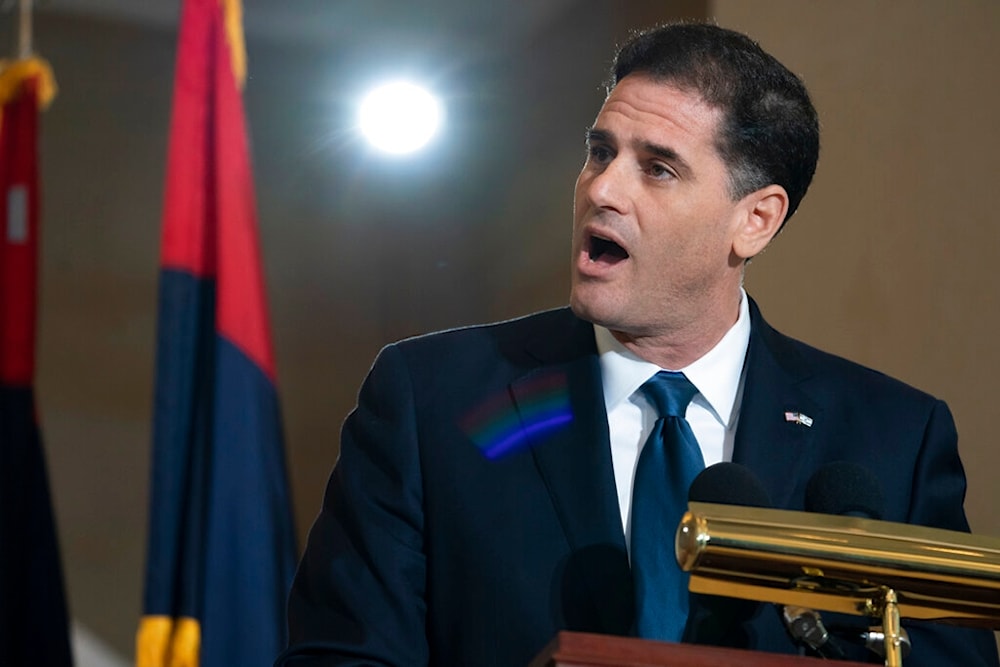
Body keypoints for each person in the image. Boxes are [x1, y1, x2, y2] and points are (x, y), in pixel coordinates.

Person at [276, 22, 1000, 667]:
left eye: (657, 167)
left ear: (755, 220)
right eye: (600, 151)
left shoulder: (891, 440)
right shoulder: (432, 399)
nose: (603, 189)